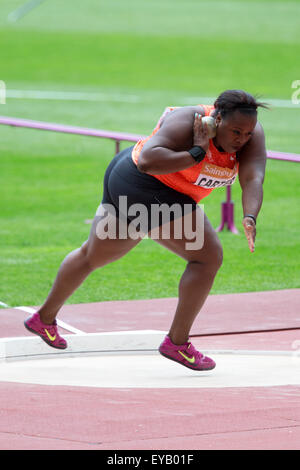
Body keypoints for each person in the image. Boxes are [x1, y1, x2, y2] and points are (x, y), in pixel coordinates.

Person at [24, 89, 268, 371]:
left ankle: (43, 319)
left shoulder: (251, 135)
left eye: (247, 133)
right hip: (146, 184)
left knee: (94, 255)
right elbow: (148, 161)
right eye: (235, 131)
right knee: (207, 257)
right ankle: (178, 343)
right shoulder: (187, 121)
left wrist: (250, 215)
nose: (241, 139)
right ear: (217, 119)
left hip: (135, 184)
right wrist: (197, 152)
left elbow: (253, 177)